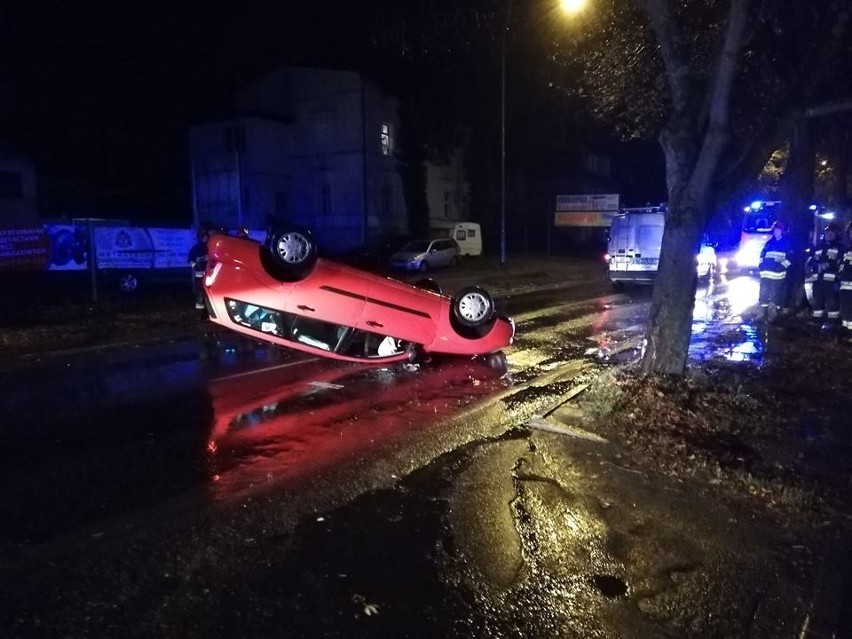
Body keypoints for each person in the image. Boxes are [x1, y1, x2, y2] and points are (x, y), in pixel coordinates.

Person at [805, 222, 843, 326]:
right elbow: (809, 260)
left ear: (836, 234)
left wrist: (828, 264)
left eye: (832, 233)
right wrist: (817, 264)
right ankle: (817, 327)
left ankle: (833, 328)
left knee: (832, 306)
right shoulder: (818, 247)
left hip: (831, 283)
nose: (829, 234)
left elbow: (841, 263)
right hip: (818, 282)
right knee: (817, 305)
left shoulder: (840, 248)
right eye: (827, 232)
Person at [757, 220, 793, 321]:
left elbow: (790, 258)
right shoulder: (769, 243)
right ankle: (761, 314)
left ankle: (773, 314)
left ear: (782, 231)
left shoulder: (786, 243)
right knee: (763, 293)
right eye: (775, 229)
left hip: (778, 274)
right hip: (766, 273)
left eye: (778, 230)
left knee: (776, 294)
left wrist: (781, 267)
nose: (776, 231)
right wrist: (761, 265)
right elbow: (762, 255)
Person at [188, 228, 210, 310]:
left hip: (205, 272)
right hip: (204, 273)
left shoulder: (207, 247)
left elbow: (190, 260)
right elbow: (191, 260)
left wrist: (195, 267)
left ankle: (202, 304)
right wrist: (196, 267)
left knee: (201, 289)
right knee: (202, 288)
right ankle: (201, 304)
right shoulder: (199, 247)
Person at [838, 222, 852, 337]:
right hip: (844, 285)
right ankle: (847, 330)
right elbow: (842, 267)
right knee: (845, 308)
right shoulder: (847, 249)